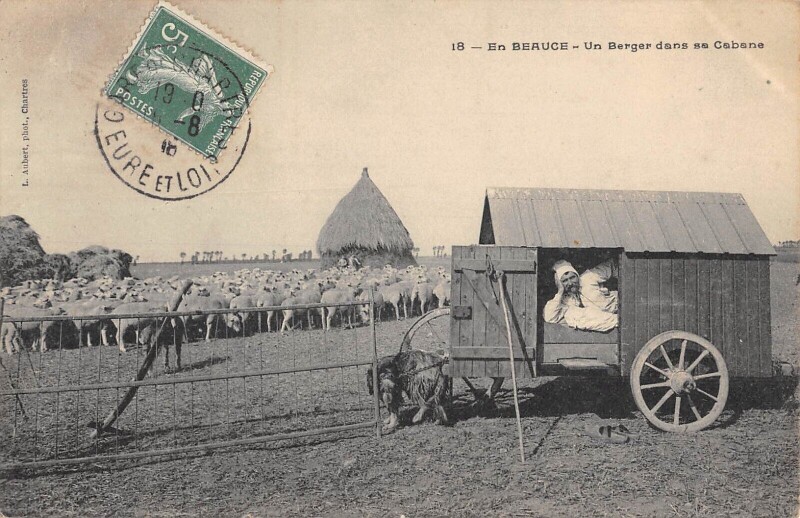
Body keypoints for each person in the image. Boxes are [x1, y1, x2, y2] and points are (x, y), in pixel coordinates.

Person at [543, 259, 618, 332]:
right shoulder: (565, 300)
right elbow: (549, 317)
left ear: (577, 275)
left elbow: (613, 265)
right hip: (615, 321)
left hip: (620, 305)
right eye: (565, 281)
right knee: (571, 314)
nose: (570, 283)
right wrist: (560, 292)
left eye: (572, 277)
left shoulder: (587, 278)